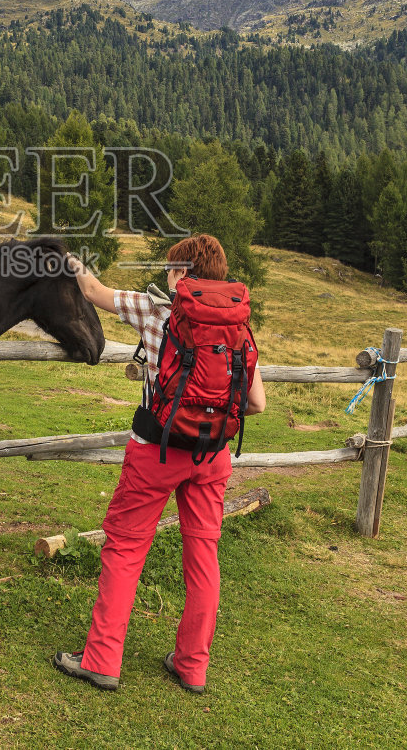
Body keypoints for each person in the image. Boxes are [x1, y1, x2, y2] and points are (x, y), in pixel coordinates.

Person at [54, 233, 266, 693]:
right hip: (212, 457)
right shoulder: (238, 326)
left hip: (155, 451)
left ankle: (103, 659)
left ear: (181, 273)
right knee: (203, 557)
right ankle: (192, 666)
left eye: (172, 268)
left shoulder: (156, 311)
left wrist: (67, 259)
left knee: (126, 550)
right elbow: (257, 404)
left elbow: (92, 291)